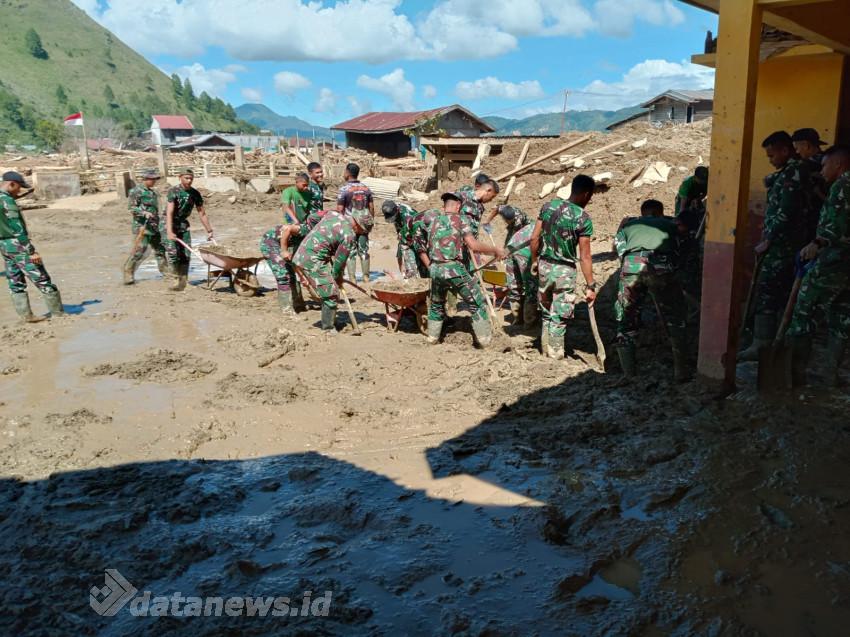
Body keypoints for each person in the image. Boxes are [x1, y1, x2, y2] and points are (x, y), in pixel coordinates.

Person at [739, 132, 817, 360]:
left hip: (782, 244)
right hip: (787, 242)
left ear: (785, 151)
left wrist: (768, 240)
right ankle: (769, 341)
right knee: (777, 291)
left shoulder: (794, 172)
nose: (770, 160)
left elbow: (787, 211)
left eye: (772, 155)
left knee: (767, 291)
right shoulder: (792, 171)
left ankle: (761, 345)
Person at [786, 145, 850, 387]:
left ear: (839, 164)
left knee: (804, 312)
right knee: (842, 318)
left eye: (824, 165)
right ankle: (830, 375)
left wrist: (817, 242)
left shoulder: (844, 184)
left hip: (834, 261)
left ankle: (793, 375)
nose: (821, 170)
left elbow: (837, 226)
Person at [613, 199, 690, 381]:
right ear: (660, 212)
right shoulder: (668, 223)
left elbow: (618, 250)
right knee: (676, 317)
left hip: (631, 265)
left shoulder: (629, 225)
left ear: (642, 212)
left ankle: (628, 373)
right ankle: (681, 372)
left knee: (626, 318)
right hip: (661, 265)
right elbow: (683, 243)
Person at [417, 192, 506, 347]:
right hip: (453, 269)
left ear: (445, 206)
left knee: (437, 305)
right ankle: (485, 341)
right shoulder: (461, 220)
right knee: (476, 302)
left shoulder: (433, 221)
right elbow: (473, 245)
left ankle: (432, 338)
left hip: (435, 269)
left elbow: (423, 247)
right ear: (458, 206)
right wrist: (494, 250)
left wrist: (431, 266)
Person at [530, 174, 597, 360]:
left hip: (544, 265)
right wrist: (590, 285)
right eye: (590, 197)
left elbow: (534, 238)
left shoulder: (548, 206)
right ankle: (555, 355)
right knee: (559, 314)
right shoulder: (582, 218)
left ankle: (544, 349)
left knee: (545, 311)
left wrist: (535, 260)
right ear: (585, 194)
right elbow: (585, 256)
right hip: (564, 271)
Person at [292, 209, 373, 331]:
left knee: (332, 290)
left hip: (302, 252)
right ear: (356, 224)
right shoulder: (349, 235)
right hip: (312, 261)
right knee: (331, 294)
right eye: (362, 231)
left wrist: (317, 234)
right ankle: (328, 328)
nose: (360, 234)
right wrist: (338, 278)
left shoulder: (333, 214)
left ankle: (331, 321)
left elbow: (312, 217)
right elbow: (339, 264)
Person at [0, 171, 63, 321]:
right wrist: (31, 251)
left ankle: (26, 315)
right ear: (11, 184)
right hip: (18, 245)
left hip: (4, 244)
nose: (19, 191)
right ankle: (58, 314)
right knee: (42, 279)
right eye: (19, 187)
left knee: (15, 281)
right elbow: (17, 228)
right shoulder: (7, 201)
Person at [259, 210, 326, 314]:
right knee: (283, 276)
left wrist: (304, 278)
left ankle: (298, 304)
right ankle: (286, 310)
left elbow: (297, 259)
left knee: (292, 275)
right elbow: (287, 228)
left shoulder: (316, 237)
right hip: (270, 243)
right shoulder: (306, 229)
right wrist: (284, 250)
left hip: (285, 246)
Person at [163, 168, 214, 291]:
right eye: (186, 178)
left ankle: (183, 280)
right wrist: (169, 231)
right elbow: (169, 212)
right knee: (173, 253)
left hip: (182, 224)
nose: (189, 180)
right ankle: (176, 279)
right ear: (180, 177)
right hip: (169, 223)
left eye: (191, 178)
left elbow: (202, 213)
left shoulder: (195, 194)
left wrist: (209, 230)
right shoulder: (174, 191)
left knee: (186, 252)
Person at [123, 168, 167, 285]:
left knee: (160, 250)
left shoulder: (153, 193)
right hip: (142, 227)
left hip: (154, 227)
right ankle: (128, 273)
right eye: (152, 179)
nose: (154, 181)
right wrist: (144, 213)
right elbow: (131, 208)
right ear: (145, 179)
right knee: (139, 251)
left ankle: (166, 272)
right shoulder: (136, 191)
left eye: (155, 179)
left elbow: (157, 209)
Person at [336, 163, 375, 283]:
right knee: (364, 251)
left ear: (347, 173)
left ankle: (353, 279)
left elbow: (340, 210)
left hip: (350, 225)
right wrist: (369, 223)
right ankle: (366, 277)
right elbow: (372, 208)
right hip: (364, 224)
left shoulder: (344, 190)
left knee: (351, 252)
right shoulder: (366, 188)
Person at [504, 221, 537, 327]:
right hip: (524, 252)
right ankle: (529, 322)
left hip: (510, 250)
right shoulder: (547, 228)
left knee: (514, 286)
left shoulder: (532, 225)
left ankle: (517, 318)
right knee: (531, 288)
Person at [382, 200, 420, 278]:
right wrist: (401, 267)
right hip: (407, 234)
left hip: (417, 233)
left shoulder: (407, 217)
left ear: (397, 211)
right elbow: (401, 240)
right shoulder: (396, 214)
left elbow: (408, 241)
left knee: (414, 259)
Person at [674, 166, 709, 234]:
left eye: (705, 180)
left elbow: (705, 193)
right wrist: (681, 213)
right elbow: (683, 200)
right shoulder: (687, 183)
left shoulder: (705, 182)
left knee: (698, 215)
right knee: (681, 218)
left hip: (695, 198)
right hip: (682, 200)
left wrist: (697, 199)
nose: (703, 182)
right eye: (701, 180)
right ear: (695, 177)